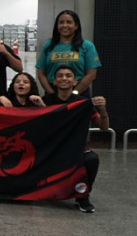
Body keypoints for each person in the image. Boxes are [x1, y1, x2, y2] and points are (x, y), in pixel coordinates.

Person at [41, 65, 108, 213]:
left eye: (68, 76)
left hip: (76, 148)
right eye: (60, 76)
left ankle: (82, 196)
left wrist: (103, 109)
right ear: (54, 81)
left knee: (91, 159)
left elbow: (103, 126)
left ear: (75, 81)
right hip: (50, 148)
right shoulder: (45, 101)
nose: (64, 78)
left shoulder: (83, 104)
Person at [36, 10, 101, 96]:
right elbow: (41, 73)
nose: (65, 25)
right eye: (61, 22)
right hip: (53, 92)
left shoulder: (87, 46)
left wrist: (75, 93)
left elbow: (91, 74)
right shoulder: (48, 45)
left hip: (79, 93)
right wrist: (51, 93)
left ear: (76, 26)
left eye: (69, 22)